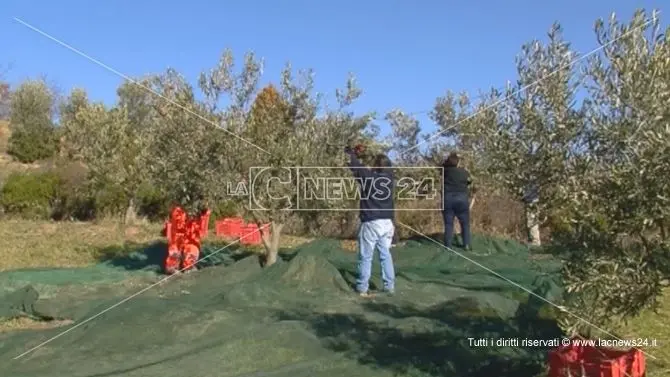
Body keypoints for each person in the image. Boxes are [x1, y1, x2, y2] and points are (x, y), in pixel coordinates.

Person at [345, 146, 396, 297]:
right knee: (385, 254)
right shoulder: (390, 179)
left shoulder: (369, 178)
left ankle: (362, 288)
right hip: (387, 223)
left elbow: (356, 167)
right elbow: (363, 169)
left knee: (365, 256)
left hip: (372, 223)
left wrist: (352, 153)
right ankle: (389, 286)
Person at [441, 152, 472, 250]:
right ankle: (466, 244)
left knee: (448, 224)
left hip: (448, 199)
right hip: (462, 199)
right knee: (465, 223)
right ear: (458, 163)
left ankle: (448, 246)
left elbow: (441, 167)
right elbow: (469, 181)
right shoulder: (464, 172)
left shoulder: (445, 171)